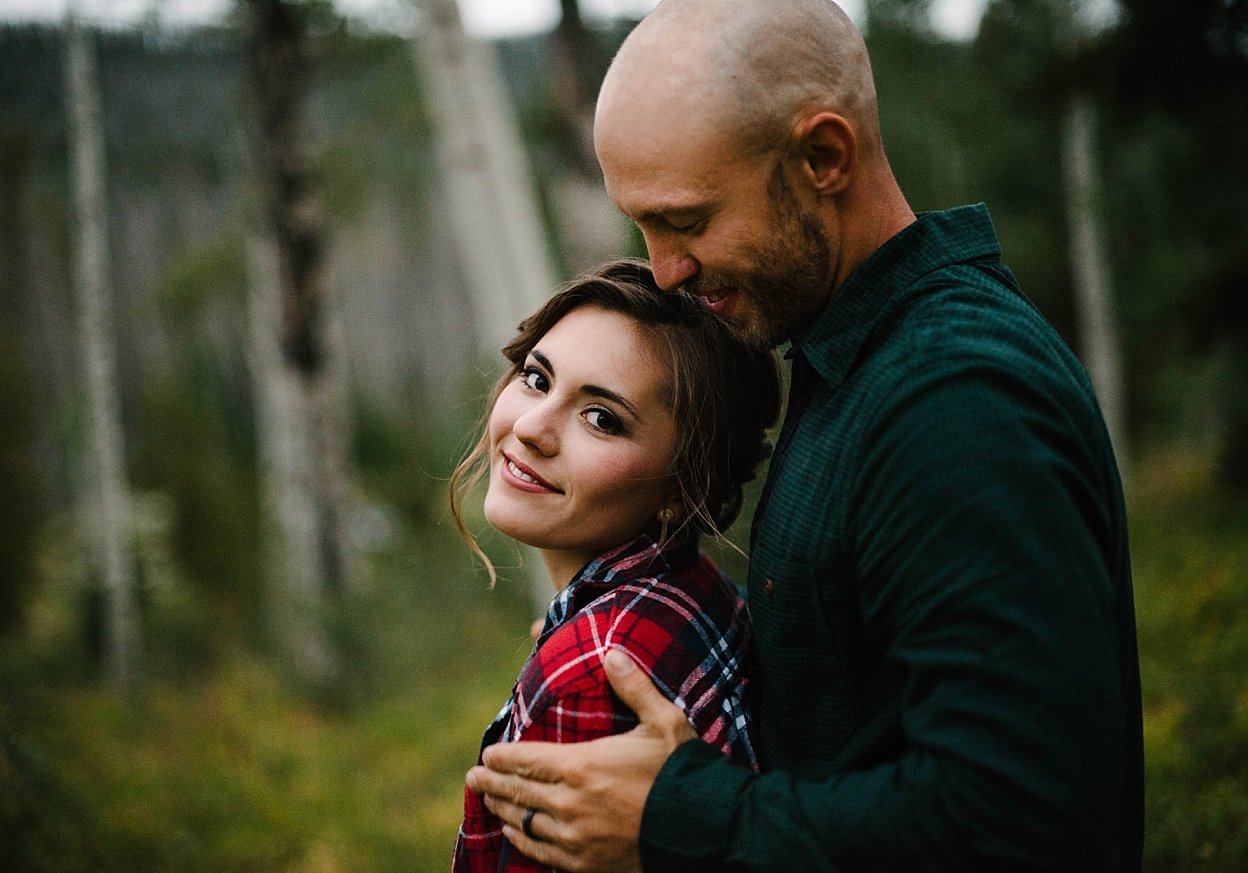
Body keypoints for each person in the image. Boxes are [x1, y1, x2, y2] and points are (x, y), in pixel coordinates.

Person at [465, 1, 1144, 871]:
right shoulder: (850, 352)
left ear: (824, 157)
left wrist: (679, 812)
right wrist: (616, 635)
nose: (665, 269)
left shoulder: (956, 398)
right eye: (643, 225)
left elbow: (1023, 815)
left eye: (689, 220)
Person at [449, 260, 782, 872]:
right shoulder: (697, 586)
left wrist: (570, 669)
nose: (530, 428)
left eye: (601, 418)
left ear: (685, 487)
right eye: (536, 378)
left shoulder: (589, 677)